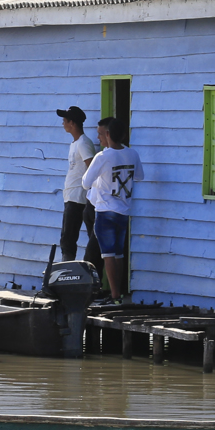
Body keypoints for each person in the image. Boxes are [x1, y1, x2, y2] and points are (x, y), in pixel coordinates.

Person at [82, 116, 143, 302]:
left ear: (108, 134)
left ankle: (114, 295)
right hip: (124, 210)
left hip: (105, 210)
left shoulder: (103, 156)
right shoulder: (132, 154)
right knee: (118, 254)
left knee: (107, 254)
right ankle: (120, 292)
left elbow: (85, 183)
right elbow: (139, 176)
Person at [55, 105, 101, 275]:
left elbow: (92, 169)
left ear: (72, 123)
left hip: (79, 196)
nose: (63, 123)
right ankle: (68, 272)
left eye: (65, 120)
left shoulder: (84, 143)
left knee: (69, 237)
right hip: (71, 195)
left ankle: (69, 273)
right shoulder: (75, 143)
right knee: (67, 237)